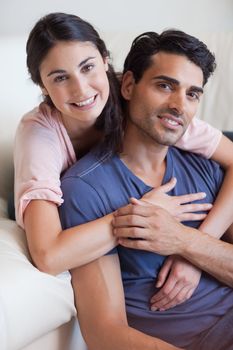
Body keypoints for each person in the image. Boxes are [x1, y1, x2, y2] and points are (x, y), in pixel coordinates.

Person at [14, 12, 233, 319]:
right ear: (42, 85)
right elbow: (48, 255)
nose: (81, 90)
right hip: (77, 199)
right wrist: (140, 215)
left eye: (88, 67)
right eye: (60, 78)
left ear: (105, 61)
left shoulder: (145, 99)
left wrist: (195, 250)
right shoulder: (40, 134)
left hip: (180, 157)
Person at [59, 30, 233, 350]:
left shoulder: (205, 166)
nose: (179, 105)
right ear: (128, 85)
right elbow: (105, 334)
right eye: (165, 85)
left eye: (193, 94)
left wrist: (185, 243)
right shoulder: (85, 190)